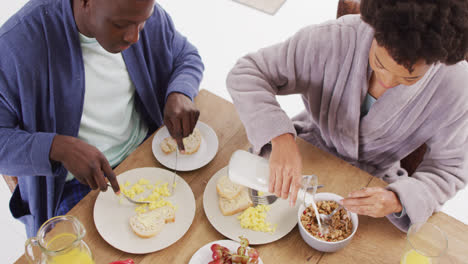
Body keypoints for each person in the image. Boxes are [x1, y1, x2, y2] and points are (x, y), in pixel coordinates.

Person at [227, 0, 468, 232]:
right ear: (374, 30)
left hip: (371, 189)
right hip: (304, 155)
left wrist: (396, 199)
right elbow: (248, 73)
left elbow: (449, 169)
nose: (387, 81)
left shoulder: (456, 86)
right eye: (379, 63)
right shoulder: (334, 38)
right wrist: (279, 137)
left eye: (409, 78)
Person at [0, 0, 204, 237]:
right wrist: (57, 148)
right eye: (120, 24)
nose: (134, 37)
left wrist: (180, 91)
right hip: (72, 187)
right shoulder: (16, 45)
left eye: (142, 23)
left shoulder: (137, 11)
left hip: (145, 154)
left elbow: (186, 56)